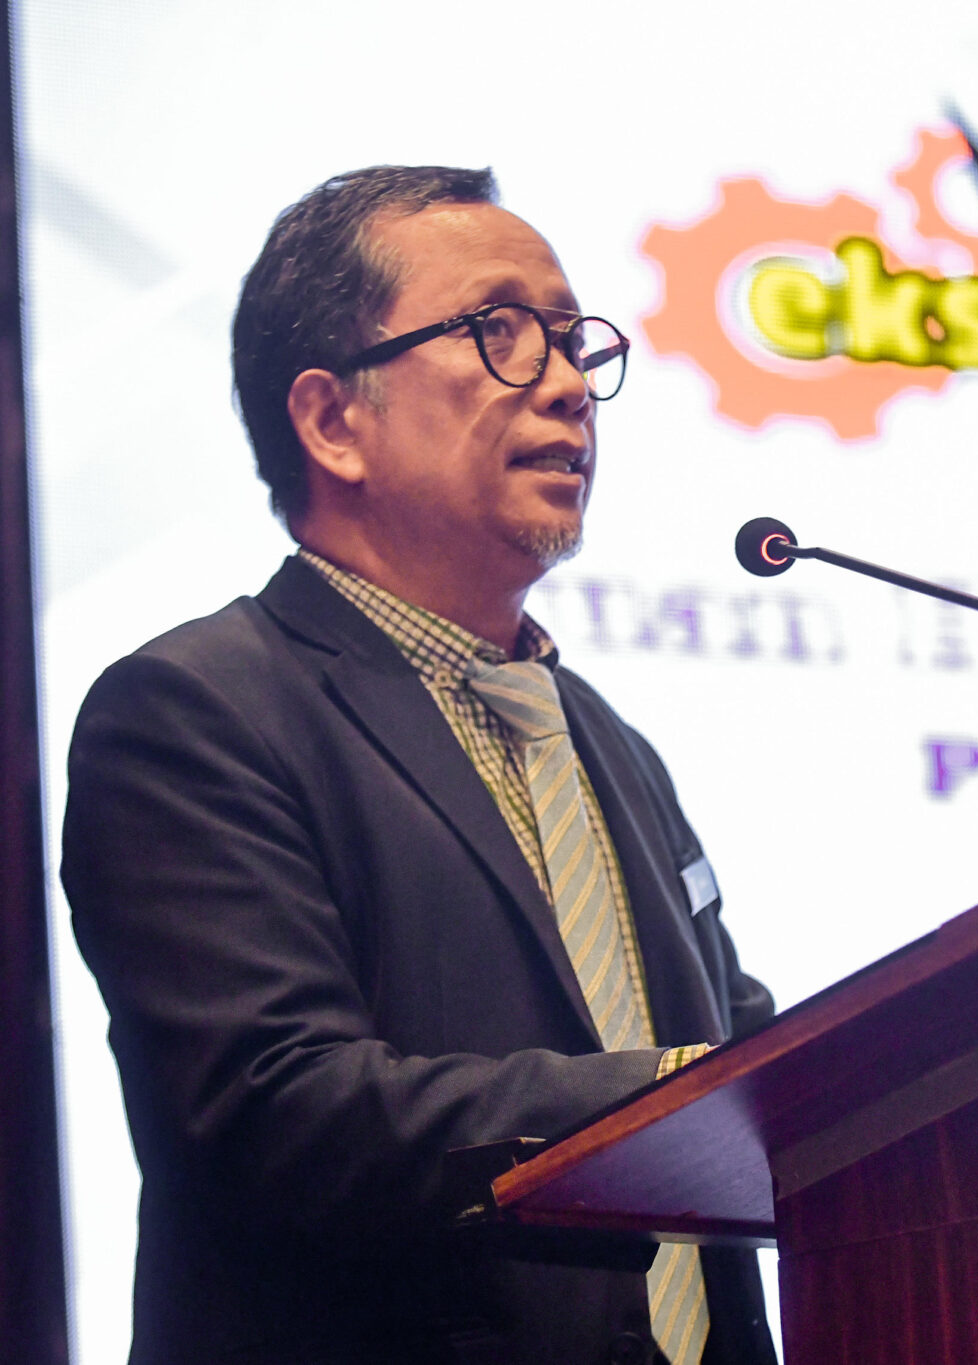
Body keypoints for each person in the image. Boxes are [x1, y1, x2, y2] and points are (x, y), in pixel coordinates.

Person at [62, 166, 776, 1365]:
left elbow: (752, 1066)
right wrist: (674, 1096)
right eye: (501, 332)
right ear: (332, 422)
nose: (568, 385)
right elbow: (279, 1111)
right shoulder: (195, 712)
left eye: (574, 343)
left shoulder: (607, 743)